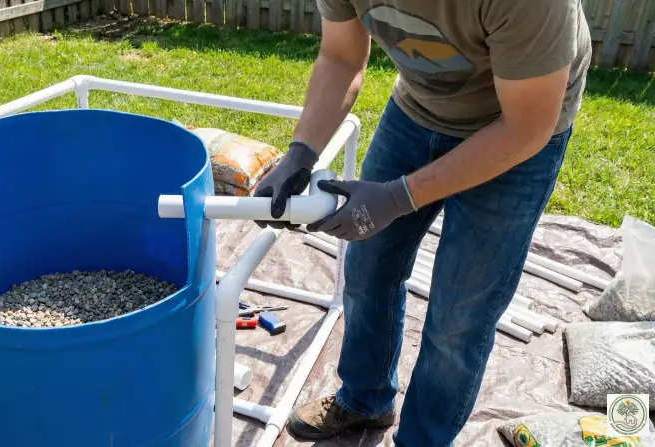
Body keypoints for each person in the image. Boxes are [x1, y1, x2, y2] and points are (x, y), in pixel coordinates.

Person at [252, 0, 592, 445]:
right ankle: (365, 400)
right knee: (367, 266)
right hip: (419, 107)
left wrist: (398, 196)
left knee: (461, 312)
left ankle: (422, 440)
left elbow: (525, 128)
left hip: (517, 128)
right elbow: (340, 56)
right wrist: (301, 152)